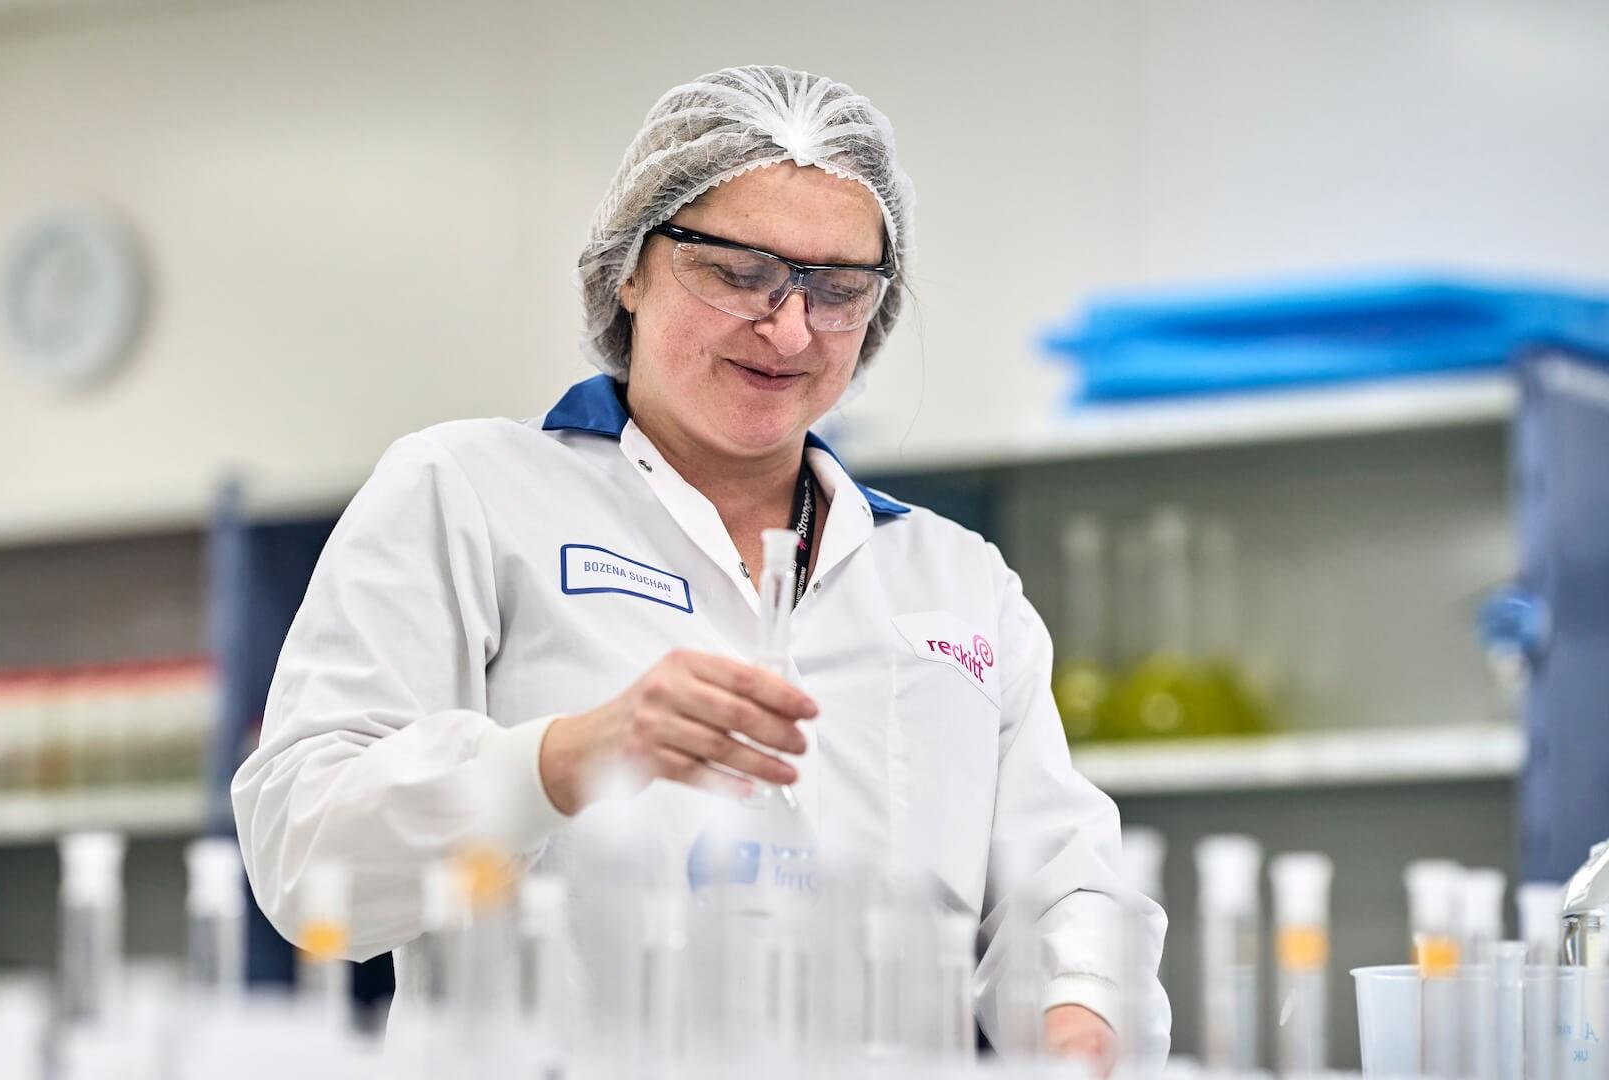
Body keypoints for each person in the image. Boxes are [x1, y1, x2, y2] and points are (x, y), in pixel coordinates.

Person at [233, 64, 1168, 1070]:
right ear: (630, 264)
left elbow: (1062, 887)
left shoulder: (955, 581)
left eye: (838, 287)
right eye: (737, 270)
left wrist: (1081, 1020)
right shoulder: (467, 493)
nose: (790, 326)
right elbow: (305, 854)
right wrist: (568, 757)